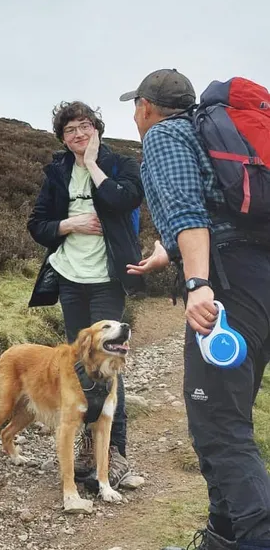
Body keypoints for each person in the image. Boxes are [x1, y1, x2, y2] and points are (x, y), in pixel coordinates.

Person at [123, 69, 270, 550]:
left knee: (220, 428)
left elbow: (188, 212)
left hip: (229, 288)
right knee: (232, 416)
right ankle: (221, 538)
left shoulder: (167, 135)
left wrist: (198, 284)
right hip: (261, 281)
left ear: (145, 106)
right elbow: (216, 212)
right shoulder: (221, 139)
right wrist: (169, 251)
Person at [27, 101, 145, 491]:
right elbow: (38, 224)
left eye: (85, 126)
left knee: (111, 361)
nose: (78, 135)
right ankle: (84, 448)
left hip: (106, 279)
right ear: (62, 137)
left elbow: (124, 200)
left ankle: (115, 454)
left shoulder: (121, 164)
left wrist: (94, 165)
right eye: (70, 131)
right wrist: (69, 223)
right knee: (80, 362)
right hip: (69, 280)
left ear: (97, 128)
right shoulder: (57, 172)